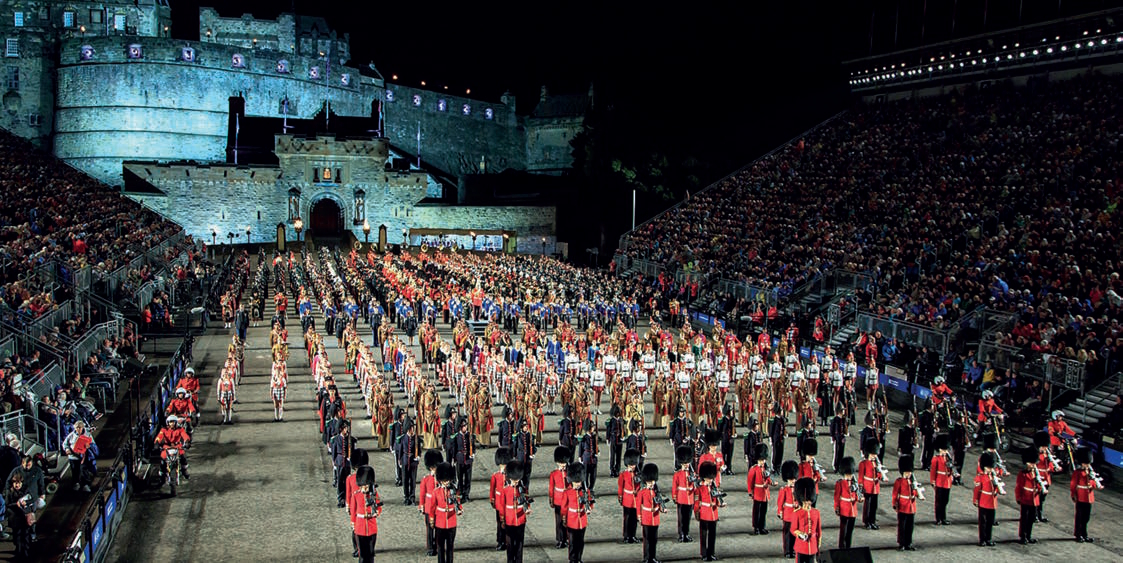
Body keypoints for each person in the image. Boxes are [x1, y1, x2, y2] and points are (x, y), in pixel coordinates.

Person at [428, 462, 461, 563]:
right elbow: (432, 507)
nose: (446, 482)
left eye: (447, 480)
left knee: (450, 547)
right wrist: (432, 520)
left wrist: (459, 509)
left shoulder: (454, 490)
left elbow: (458, 501)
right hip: (440, 522)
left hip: (451, 522)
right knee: (440, 547)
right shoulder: (436, 492)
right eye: (444, 480)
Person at [349, 465, 382, 563]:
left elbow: (379, 507)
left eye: (366, 486)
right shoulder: (356, 495)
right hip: (360, 527)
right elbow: (353, 511)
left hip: (371, 527)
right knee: (362, 555)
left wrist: (376, 512)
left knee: (371, 554)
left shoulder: (374, 494)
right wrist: (353, 523)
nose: (365, 488)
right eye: (363, 486)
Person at [560, 462, 590, 563]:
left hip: (582, 519)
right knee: (572, 542)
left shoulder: (584, 492)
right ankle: (573, 559)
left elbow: (590, 501)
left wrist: (589, 507)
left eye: (579, 482)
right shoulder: (567, 492)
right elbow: (564, 507)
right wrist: (564, 518)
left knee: (580, 542)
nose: (578, 484)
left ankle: (579, 558)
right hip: (572, 520)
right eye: (576, 482)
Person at [1070, 447, 1102, 543]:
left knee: (1086, 518)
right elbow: (1073, 484)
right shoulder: (1077, 472)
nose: (1087, 465)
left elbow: (1093, 484)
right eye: (1085, 463)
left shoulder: (1091, 472)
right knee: (1079, 517)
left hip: (1089, 497)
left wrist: (1093, 483)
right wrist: (1073, 494)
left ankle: (1084, 534)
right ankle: (1078, 534)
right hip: (1080, 496)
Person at [503, 460, 531, 563]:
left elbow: (526, 500)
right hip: (509, 520)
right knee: (510, 544)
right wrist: (503, 518)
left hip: (520, 519)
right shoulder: (505, 490)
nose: (516, 481)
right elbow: (502, 506)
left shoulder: (523, 488)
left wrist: (527, 508)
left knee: (519, 543)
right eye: (514, 480)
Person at [1015, 449, 1044, 545]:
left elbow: (1039, 484)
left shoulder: (1036, 473)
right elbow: (1018, 487)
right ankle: (1022, 536)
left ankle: (1028, 536)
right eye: (1031, 463)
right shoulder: (1022, 474)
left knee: (1031, 518)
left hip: (1034, 499)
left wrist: (1039, 489)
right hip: (1025, 498)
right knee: (1024, 518)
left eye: (1034, 463)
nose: (1033, 465)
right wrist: (1018, 497)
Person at [636, 463, 664, 563]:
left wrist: (661, 508)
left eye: (652, 481)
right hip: (646, 517)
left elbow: (659, 502)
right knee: (647, 539)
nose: (651, 483)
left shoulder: (656, 492)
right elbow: (638, 505)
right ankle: (647, 557)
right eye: (649, 481)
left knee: (654, 539)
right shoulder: (642, 492)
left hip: (655, 518)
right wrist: (639, 516)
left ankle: (653, 557)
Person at [891, 454, 919, 551]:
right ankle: (901, 543)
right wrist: (894, 504)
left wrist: (917, 492)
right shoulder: (899, 481)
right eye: (907, 472)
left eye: (909, 472)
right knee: (902, 526)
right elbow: (895, 494)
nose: (908, 474)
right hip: (903, 506)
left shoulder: (912, 482)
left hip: (911, 506)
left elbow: (915, 492)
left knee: (910, 526)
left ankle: (908, 543)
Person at [973, 451, 1001, 547]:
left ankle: (988, 539)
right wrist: (975, 500)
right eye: (988, 467)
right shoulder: (980, 477)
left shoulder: (994, 477)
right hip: (984, 501)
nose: (990, 469)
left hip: (992, 501)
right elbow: (977, 490)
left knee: (990, 522)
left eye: (991, 467)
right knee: (983, 522)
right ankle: (982, 540)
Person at [695, 461, 721, 561]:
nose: (710, 480)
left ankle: (711, 553)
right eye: (708, 478)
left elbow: (716, 499)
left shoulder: (714, 487)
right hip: (704, 513)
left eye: (711, 478)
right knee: (703, 535)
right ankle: (704, 553)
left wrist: (719, 503)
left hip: (713, 514)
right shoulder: (700, 488)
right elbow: (697, 501)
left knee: (712, 535)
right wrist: (697, 512)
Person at [419, 449, 443, 556]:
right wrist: (421, 505)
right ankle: (430, 548)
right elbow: (422, 494)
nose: (434, 470)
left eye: (435, 468)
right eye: (432, 468)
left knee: (438, 528)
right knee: (429, 528)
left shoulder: (441, 479)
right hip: (429, 507)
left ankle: (437, 546)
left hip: (438, 507)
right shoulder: (426, 479)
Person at [792, 476, 822, 563]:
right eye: (804, 502)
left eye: (808, 502)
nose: (806, 505)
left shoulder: (816, 512)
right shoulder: (797, 513)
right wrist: (800, 534)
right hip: (801, 545)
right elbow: (793, 529)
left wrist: (818, 543)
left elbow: (818, 530)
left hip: (812, 545)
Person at [4, 473, 33, 560]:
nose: (17, 485)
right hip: (15, 517)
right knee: (17, 537)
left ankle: (26, 553)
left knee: (26, 536)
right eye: (16, 483)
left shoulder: (26, 490)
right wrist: (17, 504)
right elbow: (7, 504)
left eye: (19, 483)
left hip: (24, 517)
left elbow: (31, 499)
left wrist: (26, 503)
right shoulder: (9, 492)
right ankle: (19, 553)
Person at [746, 442, 772, 535]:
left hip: (764, 492)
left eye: (763, 460)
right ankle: (756, 527)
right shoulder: (754, 469)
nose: (762, 462)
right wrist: (750, 492)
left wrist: (772, 483)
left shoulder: (766, 469)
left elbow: (768, 479)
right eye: (761, 460)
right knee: (756, 511)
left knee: (763, 511)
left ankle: (762, 527)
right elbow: (750, 481)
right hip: (757, 492)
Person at [62, 420, 96, 492]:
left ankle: (85, 484)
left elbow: (92, 443)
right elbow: (65, 444)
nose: (78, 429)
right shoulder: (71, 435)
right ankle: (76, 483)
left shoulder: (87, 434)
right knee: (75, 470)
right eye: (77, 428)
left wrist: (89, 446)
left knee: (84, 470)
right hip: (73, 456)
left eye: (80, 427)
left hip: (84, 456)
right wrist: (67, 449)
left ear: (83, 427)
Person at [833, 456, 859, 549]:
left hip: (853, 510)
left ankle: (848, 546)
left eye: (850, 474)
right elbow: (837, 497)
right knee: (843, 531)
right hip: (844, 509)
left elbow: (857, 494)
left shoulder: (854, 483)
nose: (849, 476)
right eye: (848, 474)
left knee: (850, 531)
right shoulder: (840, 483)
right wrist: (837, 507)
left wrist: (859, 497)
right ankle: (842, 547)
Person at [154, 415, 191, 480]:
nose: (172, 424)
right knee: (163, 458)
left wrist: (187, 441)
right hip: (167, 447)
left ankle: (184, 470)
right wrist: (157, 443)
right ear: (167, 423)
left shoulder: (180, 429)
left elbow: (185, 435)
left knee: (183, 457)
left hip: (177, 446)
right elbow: (159, 437)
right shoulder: (164, 430)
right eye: (170, 422)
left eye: (173, 422)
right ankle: (162, 472)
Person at [857, 439, 883, 530]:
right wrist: (861, 487)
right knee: (867, 506)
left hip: (875, 486)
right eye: (872, 454)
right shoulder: (863, 463)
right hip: (867, 486)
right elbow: (861, 477)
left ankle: (872, 521)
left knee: (874, 506)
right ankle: (866, 521)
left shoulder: (876, 463)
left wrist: (880, 474)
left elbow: (879, 475)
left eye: (875, 454)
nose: (874, 456)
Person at [330, 421, 357, 508]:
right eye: (345, 428)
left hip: (347, 463)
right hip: (340, 462)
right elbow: (334, 452)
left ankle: (347, 498)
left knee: (347, 481)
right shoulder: (336, 439)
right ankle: (340, 498)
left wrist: (351, 458)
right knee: (339, 481)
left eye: (347, 428)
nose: (346, 430)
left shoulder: (350, 439)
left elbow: (353, 450)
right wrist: (334, 462)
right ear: (341, 429)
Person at [1033, 430, 1058, 523]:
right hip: (1039, 477)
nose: (1045, 448)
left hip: (1046, 478)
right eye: (1043, 446)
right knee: (1036, 497)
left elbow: (1049, 466)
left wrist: (1054, 468)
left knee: (1042, 499)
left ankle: (1039, 515)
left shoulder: (1047, 454)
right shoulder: (1035, 454)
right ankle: (1034, 515)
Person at [672, 445, 695, 543]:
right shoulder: (677, 474)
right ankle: (681, 534)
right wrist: (674, 496)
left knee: (687, 517)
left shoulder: (692, 473)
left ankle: (686, 533)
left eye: (687, 462)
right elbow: (674, 486)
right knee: (681, 518)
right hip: (681, 497)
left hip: (690, 497)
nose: (686, 464)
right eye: (684, 463)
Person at [549, 446, 572, 549]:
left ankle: (566, 539)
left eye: (564, 463)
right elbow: (551, 488)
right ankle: (560, 539)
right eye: (561, 463)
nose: (563, 465)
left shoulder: (569, 472)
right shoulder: (553, 474)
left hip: (567, 499)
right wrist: (551, 499)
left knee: (567, 520)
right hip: (558, 499)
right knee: (559, 521)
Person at [928, 434, 954, 525]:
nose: (945, 451)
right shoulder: (936, 459)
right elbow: (933, 471)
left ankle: (943, 518)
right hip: (939, 481)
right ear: (939, 449)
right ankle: (938, 518)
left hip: (947, 481)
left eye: (946, 450)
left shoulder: (948, 458)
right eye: (943, 450)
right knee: (939, 501)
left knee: (945, 501)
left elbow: (951, 469)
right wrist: (933, 481)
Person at [490, 447, 512, 551]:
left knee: (508, 523)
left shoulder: (510, 476)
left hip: (508, 503)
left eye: (505, 465)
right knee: (500, 523)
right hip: (499, 503)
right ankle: (500, 541)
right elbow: (492, 489)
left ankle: (507, 541)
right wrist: (492, 499)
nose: (503, 466)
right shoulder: (496, 476)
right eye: (502, 465)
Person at [618, 448, 641, 544]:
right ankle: (626, 536)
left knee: (634, 519)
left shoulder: (638, 474)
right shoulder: (623, 474)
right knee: (627, 518)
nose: (633, 466)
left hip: (635, 499)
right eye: (631, 465)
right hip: (627, 498)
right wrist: (620, 496)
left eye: (634, 464)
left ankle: (633, 535)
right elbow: (620, 486)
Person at [778, 460, 799, 558]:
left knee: (795, 533)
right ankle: (787, 550)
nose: (792, 481)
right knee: (787, 534)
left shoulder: (797, 489)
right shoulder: (784, 490)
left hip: (796, 514)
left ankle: (793, 550)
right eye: (791, 480)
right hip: (787, 513)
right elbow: (780, 502)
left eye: (793, 479)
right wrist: (780, 512)